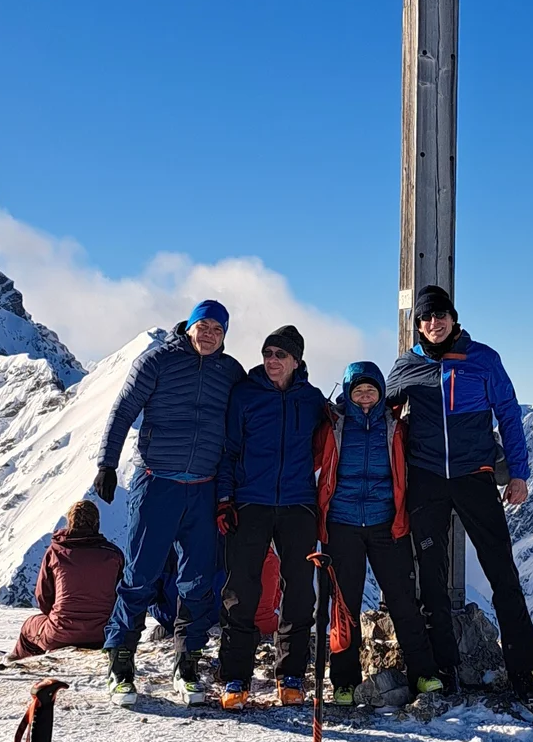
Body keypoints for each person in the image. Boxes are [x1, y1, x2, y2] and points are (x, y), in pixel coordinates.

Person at [384, 286, 533, 698]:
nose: (434, 323)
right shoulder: (406, 366)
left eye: (441, 315)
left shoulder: (483, 359)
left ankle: (523, 672)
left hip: (475, 476)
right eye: (426, 318)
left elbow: (509, 414)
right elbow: (379, 412)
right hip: (426, 478)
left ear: (454, 318)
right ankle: (443, 668)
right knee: (431, 577)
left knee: (502, 572)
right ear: (418, 325)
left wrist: (519, 474)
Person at [94, 299, 245, 704]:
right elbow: (123, 410)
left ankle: (187, 663)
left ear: (225, 336)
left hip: (204, 489)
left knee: (197, 581)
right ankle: (121, 662)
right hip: (156, 482)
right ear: (188, 327)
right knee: (140, 574)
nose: (209, 334)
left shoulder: (230, 372)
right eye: (203, 326)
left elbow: (241, 426)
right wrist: (107, 464)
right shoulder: (156, 362)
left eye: (217, 329)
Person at [314, 360, 444, 707]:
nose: (365, 395)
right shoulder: (333, 426)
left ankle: (422, 673)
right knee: (345, 606)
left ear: (382, 392)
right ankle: (344, 681)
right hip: (342, 524)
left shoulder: (396, 427)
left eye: (371, 389)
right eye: (358, 390)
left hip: (387, 524)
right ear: (347, 393)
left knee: (403, 601)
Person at [215, 324, 324, 710]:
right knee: (241, 591)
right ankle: (235, 677)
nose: (272, 360)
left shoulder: (312, 400)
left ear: (297, 360)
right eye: (267, 353)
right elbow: (229, 449)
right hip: (250, 501)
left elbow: (328, 444)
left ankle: (291, 675)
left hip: (298, 503)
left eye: (281, 355)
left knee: (299, 591)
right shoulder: (245, 394)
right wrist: (225, 498)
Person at [13, 500, 123, 658]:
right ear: (96, 523)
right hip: (104, 633)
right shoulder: (113, 554)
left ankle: (19, 663)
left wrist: (59, 617)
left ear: (70, 522)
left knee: (30, 626)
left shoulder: (56, 551)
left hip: (60, 633)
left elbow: (43, 596)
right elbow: (122, 595)